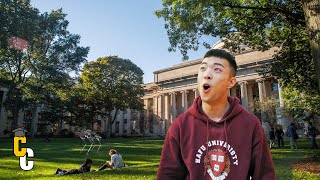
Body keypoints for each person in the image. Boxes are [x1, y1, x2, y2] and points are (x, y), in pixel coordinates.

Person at [156, 49, 275, 180]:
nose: (207, 74)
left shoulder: (251, 124)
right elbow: (167, 175)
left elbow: (264, 175)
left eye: (217, 69)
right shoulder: (180, 125)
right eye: (202, 68)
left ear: (231, 82)